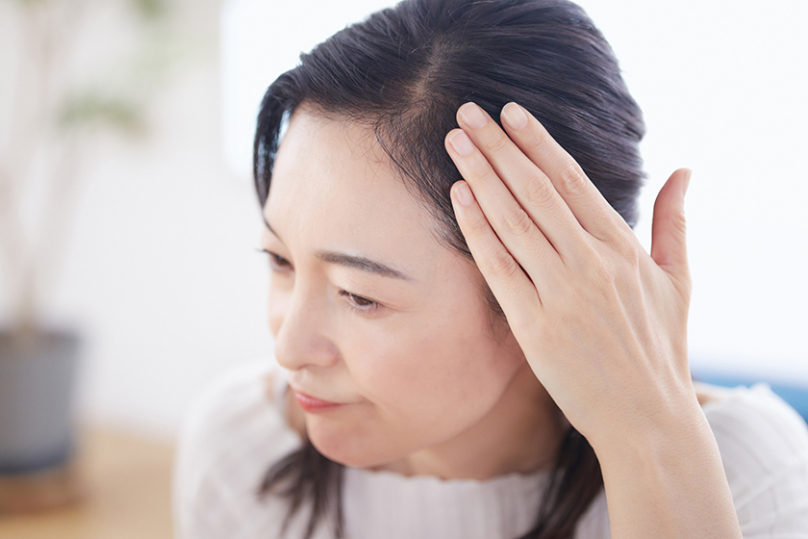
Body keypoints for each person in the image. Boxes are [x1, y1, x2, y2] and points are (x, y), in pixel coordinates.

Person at [173, 0, 808, 537]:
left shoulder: (744, 477)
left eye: (359, 295)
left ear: (545, 284)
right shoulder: (239, 452)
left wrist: (648, 439)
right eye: (279, 260)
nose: (288, 347)